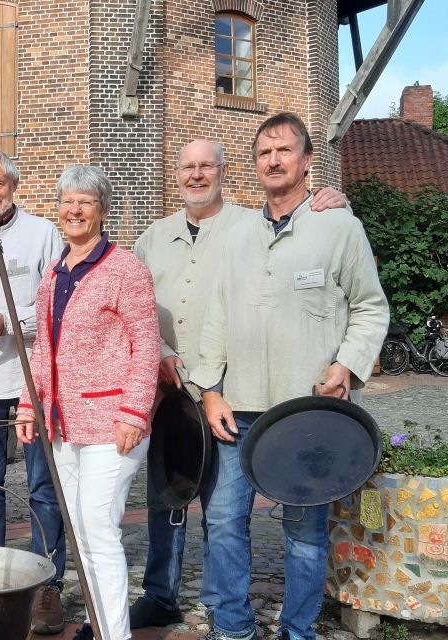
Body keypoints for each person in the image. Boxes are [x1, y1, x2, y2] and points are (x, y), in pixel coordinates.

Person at [130, 141, 348, 629]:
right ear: (177, 175)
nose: (196, 174)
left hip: (230, 386)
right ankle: (162, 593)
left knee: (220, 503)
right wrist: (162, 357)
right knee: (168, 490)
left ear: (225, 172)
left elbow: (310, 230)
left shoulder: (251, 225)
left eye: (207, 165)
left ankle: (217, 601)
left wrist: (338, 201)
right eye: (187, 167)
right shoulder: (152, 236)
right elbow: (135, 307)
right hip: (170, 387)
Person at [189, 113, 389, 640]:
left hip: (309, 412)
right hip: (238, 408)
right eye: (263, 153)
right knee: (225, 524)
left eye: (284, 151)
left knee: (304, 530)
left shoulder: (339, 228)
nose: (273, 160)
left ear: (305, 162)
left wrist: (346, 363)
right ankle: (231, 627)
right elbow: (216, 318)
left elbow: (370, 307)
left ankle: (297, 630)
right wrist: (210, 390)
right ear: (254, 165)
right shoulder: (235, 236)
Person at [15, 165, 161, 640]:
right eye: (67, 201)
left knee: (98, 529)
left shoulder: (125, 269)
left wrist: (135, 412)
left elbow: (147, 345)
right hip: (63, 426)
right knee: (78, 533)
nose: (74, 210)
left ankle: (112, 635)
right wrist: (27, 404)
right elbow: (42, 352)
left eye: (86, 201)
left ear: (102, 210)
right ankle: (99, 623)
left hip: (112, 423)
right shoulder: (53, 274)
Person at [0, 149, 68, 634]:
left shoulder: (41, 233)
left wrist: (10, 324)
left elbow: (52, 309)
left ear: (13, 185)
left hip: (32, 379)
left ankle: (48, 585)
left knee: (43, 486)